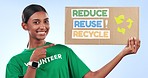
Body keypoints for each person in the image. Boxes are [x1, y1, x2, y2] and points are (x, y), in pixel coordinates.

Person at [5, 4, 140, 78]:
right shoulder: (15, 62)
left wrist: (123, 53)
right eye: (36, 22)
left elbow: (92, 77)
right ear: (25, 26)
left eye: (46, 21)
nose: (43, 26)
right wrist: (33, 62)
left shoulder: (63, 51)